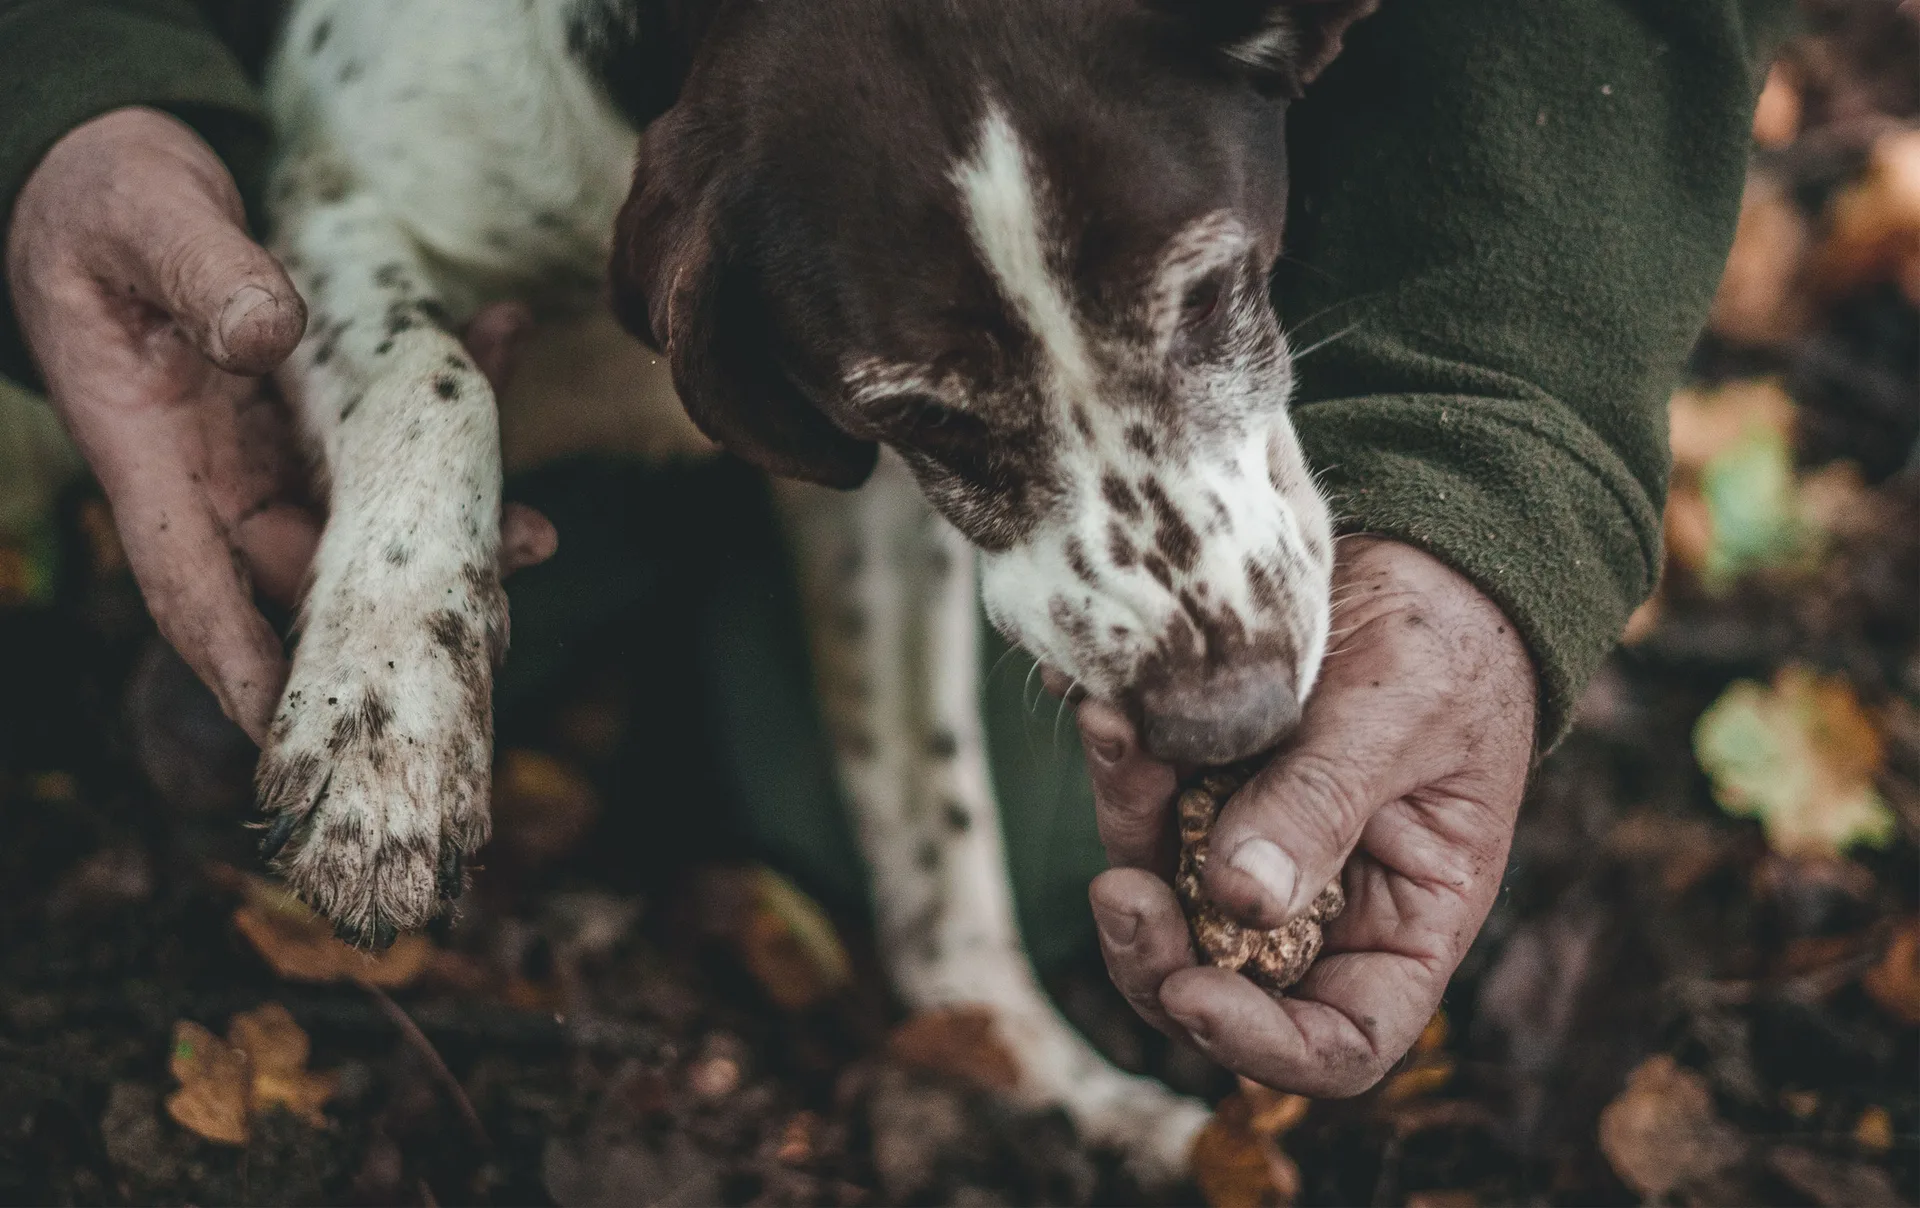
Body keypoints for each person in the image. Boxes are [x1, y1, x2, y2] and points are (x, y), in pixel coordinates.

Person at [0, 0, 1792, 1096]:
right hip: (483, 227)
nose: (1220, 632)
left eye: (1206, 305)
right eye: (935, 409)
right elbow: (344, 219)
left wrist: (1490, 481)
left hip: (808, 312)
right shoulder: (510, 88)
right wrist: (66, 89)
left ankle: (941, 942)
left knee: (1011, 877)